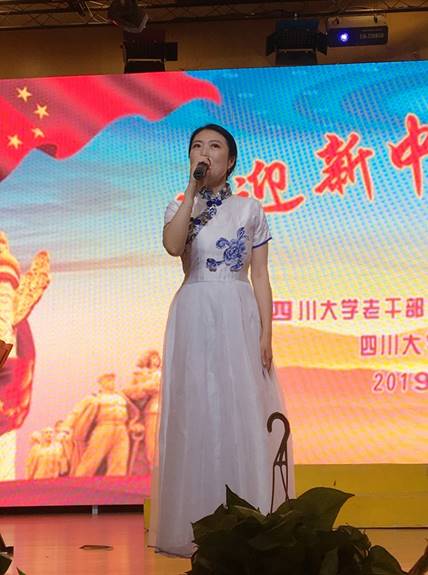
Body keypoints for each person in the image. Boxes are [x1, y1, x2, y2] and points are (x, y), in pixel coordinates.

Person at [148, 124, 294, 557]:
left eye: (215, 147)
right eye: (197, 146)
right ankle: (193, 523)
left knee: (240, 407)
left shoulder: (249, 208)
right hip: (193, 311)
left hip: (237, 309)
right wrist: (190, 193)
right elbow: (173, 246)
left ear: (230, 161)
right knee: (197, 411)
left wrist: (267, 331)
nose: (205, 152)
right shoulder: (180, 205)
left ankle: (250, 519)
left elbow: (261, 275)